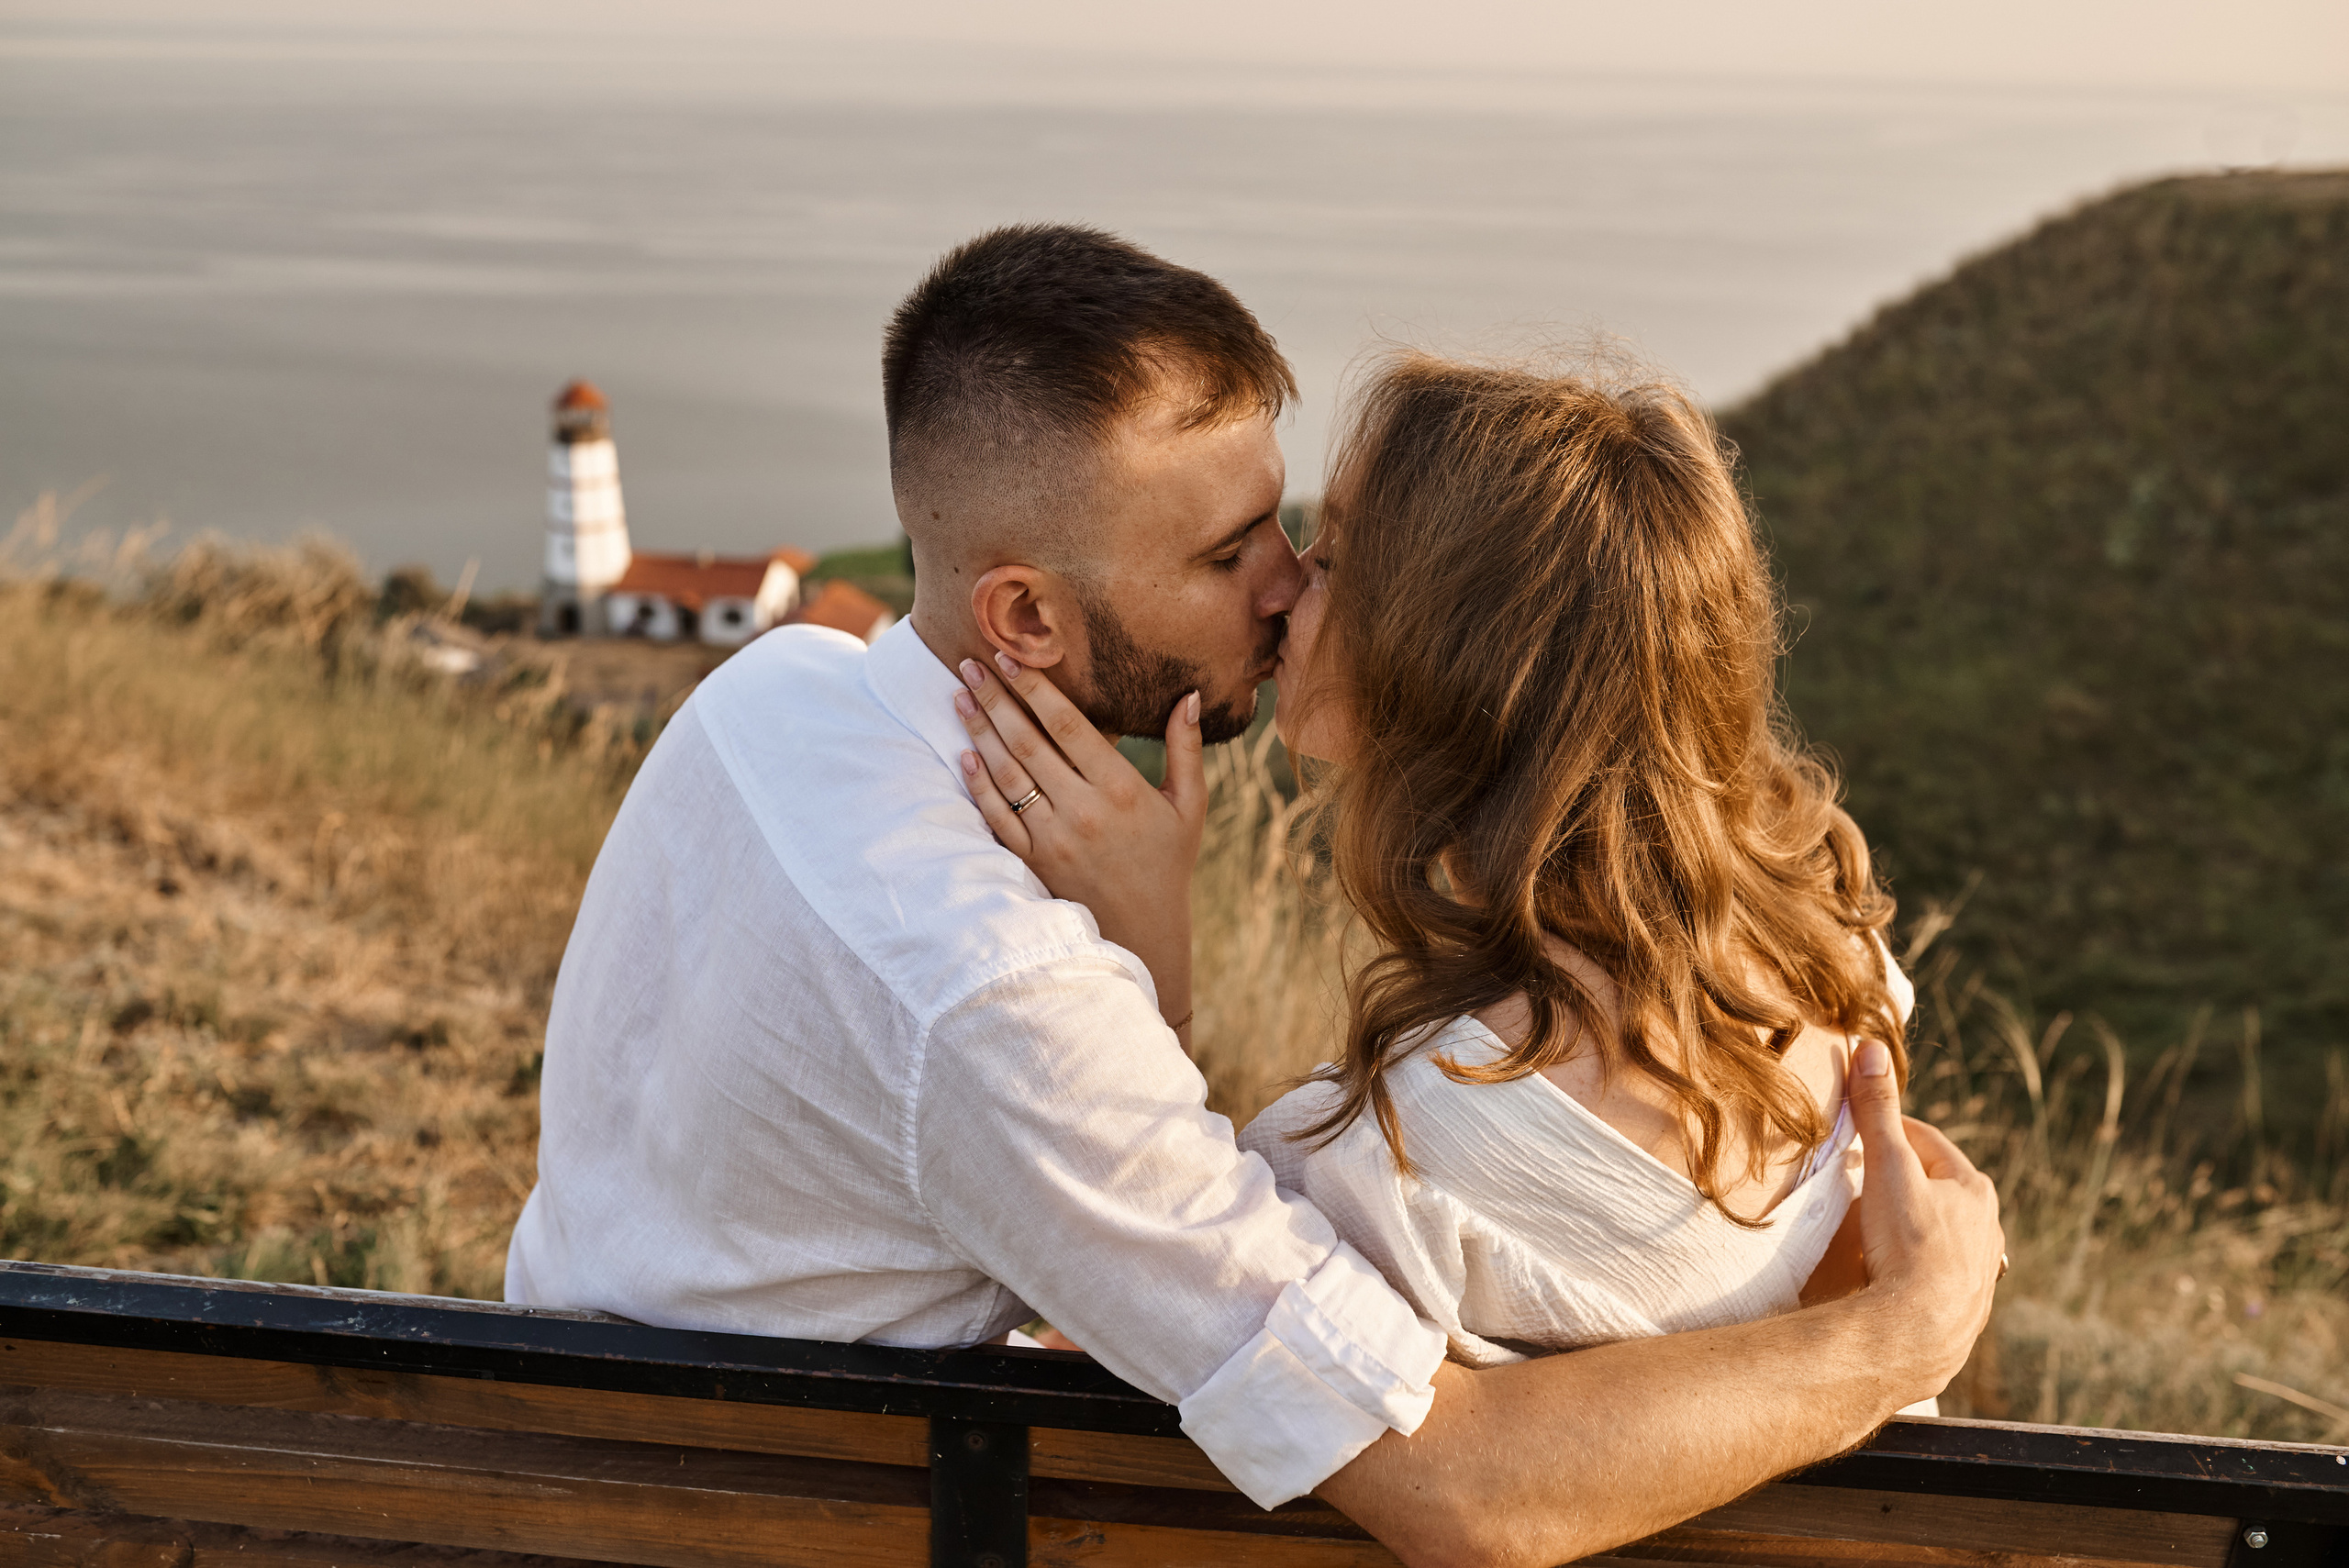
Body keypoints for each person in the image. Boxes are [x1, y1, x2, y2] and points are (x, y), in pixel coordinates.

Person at [507, 222, 2003, 1568]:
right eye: (1234, 553)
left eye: (1302, 537)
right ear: (1025, 614)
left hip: (569, 1454)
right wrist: (1906, 1333)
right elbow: (1452, 1481)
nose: (1285, 586)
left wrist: (1125, 967)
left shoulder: (762, 693)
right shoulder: (1011, 996)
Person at [957, 348, 1968, 1408]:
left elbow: (1144, 1355)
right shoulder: (1831, 950)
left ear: (1452, 654)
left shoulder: (1394, 1156)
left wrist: (1144, 961)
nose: (1284, 585)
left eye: (1336, 559)